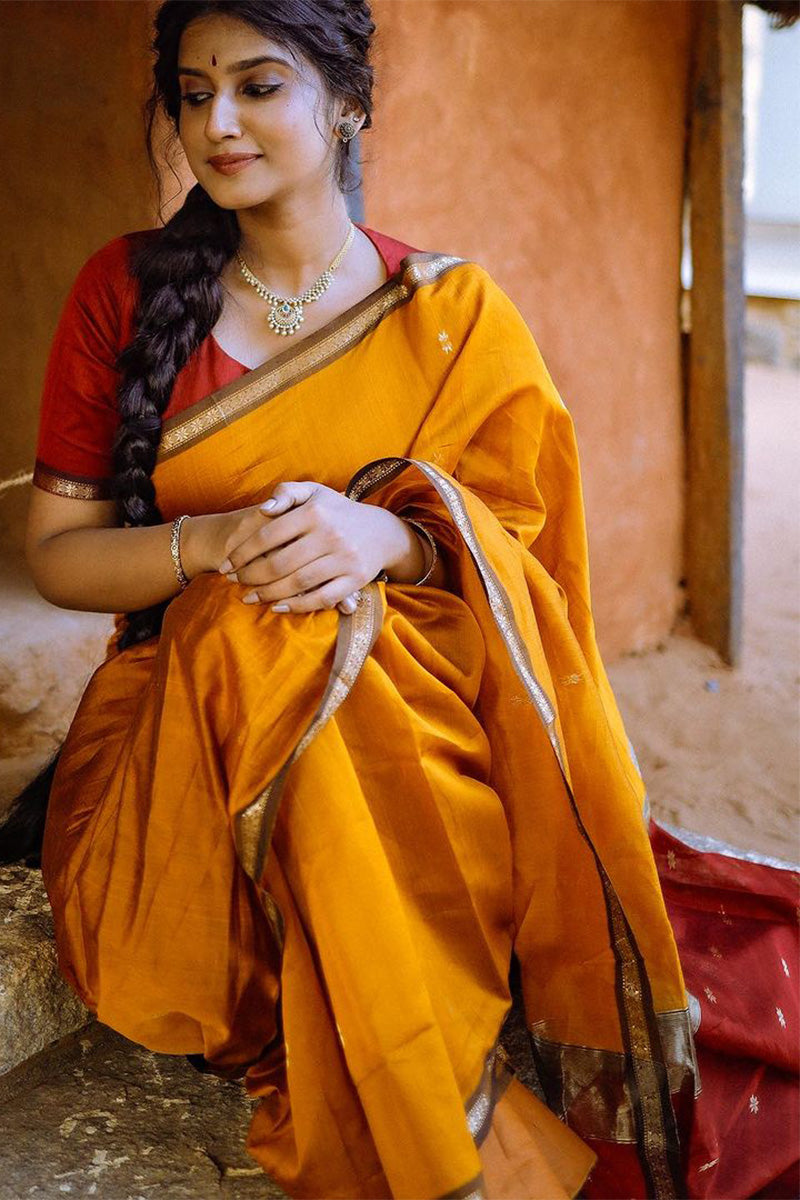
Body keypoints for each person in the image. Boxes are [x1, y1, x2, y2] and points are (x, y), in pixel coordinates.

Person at [3, 2, 796, 1198]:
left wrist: (388, 534)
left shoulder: (450, 315)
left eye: (258, 85)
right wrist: (213, 542)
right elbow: (60, 556)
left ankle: (427, 1090)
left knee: (312, 642)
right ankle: (453, 1121)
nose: (216, 122)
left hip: (418, 716)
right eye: (191, 90)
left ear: (346, 102)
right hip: (182, 734)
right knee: (252, 623)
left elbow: (523, 559)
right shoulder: (121, 293)